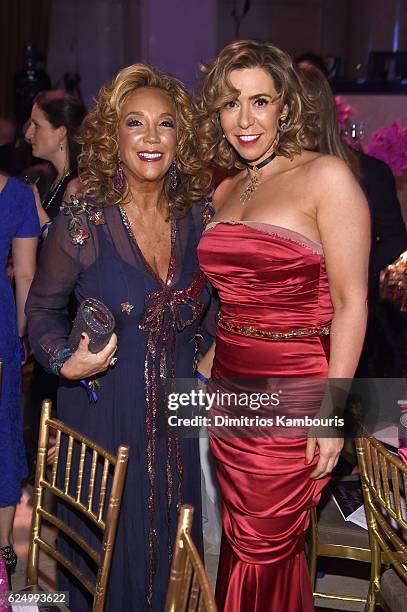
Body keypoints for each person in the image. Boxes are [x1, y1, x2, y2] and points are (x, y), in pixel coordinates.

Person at [26, 63, 211, 611]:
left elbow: (216, 312)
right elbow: (41, 309)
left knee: (173, 559)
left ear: (184, 135)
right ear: (115, 135)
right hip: (102, 417)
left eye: (166, 124)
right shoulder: (82, 222)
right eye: (136, 123)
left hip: (176, 423)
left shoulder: (203, 219)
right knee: (104, 565)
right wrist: (66, 361)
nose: (152, 138)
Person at [196, 40, 370, 611]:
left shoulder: (327, 179)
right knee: (249, 544)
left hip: (295, 389)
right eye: (230, 103)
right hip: (229, 390)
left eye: (259, 102)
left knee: (261, 545)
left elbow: (350, 301)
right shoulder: (224, 187)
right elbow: (231, 293)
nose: (244, 120)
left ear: (286, 108)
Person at [298, 63, 407, 299]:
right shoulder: (272, 172)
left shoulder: (369, 171)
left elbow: (395, 238)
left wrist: (349, 272)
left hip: (352, 302)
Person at [0, 174, 39, 581]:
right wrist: (22, 335)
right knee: (2, 435)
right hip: (0, 330)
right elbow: (25, 276)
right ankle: (3, 554)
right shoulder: (16, 195)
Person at [24, 90, 86, 229]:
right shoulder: (46, 178)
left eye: (37, 125)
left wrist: (38, 212)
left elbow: (73, 245)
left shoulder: (80, 185)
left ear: (61, 132)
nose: (28, 134)